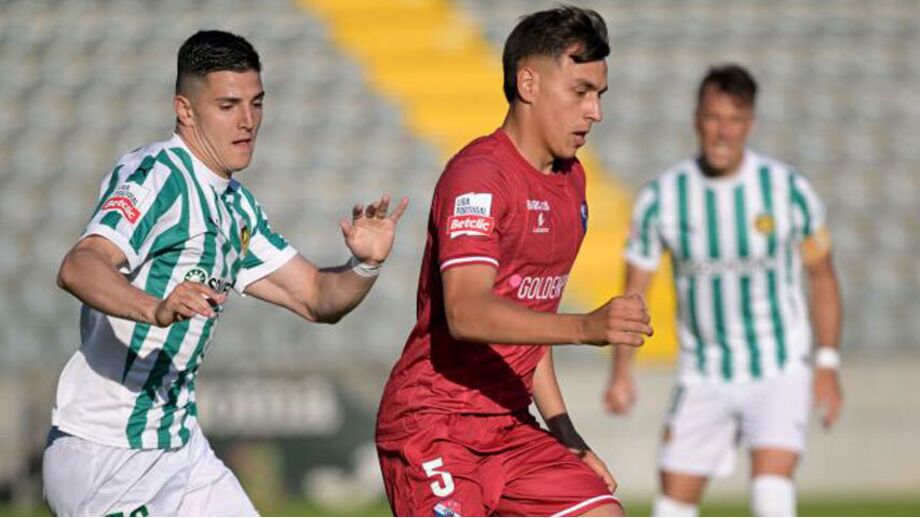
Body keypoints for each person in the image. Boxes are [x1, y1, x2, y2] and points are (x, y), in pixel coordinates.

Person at [43, 30, 408, 517]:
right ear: (185, 109)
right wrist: (154, 307)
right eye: (228, 105)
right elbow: (80, 265)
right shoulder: (160, 175)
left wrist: (367, 263)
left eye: (256, 104)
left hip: (180, 448)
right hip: (108, 453)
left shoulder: (235, 207)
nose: (247, 121)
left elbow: (318, 298)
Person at [375, 6, 653, 517]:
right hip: (435, 424)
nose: (596, 112)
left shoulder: (573, 182)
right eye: (581, 93)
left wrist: (565, 431)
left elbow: (532, 319)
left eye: (599, 95)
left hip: (509, 423)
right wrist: (586, 326)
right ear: (528, 83)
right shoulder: (478, 177)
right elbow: (467, 312)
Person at [604, 64, 843, 517]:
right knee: (672, 504)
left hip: (777, 365)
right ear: (697, 118)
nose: (722, 131)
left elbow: (823, 276)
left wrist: (827, 361)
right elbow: (635, 289)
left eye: (733, 120)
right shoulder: (663, 197)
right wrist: (621, 371)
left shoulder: (787, 190)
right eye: (713, 118)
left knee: (773, 496)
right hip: (704, 372)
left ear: (749, 123)